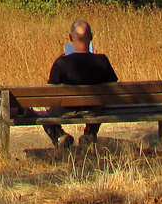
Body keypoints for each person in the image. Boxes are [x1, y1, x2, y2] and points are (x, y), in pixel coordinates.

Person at [43, 19, 118, 149]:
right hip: (92, 110)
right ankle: (90, 134)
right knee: (100, 103)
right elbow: (113, 87)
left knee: (45, 117)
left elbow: (52, 90)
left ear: (71, 37)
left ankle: (60, 137)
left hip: (65, 110)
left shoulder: (61, 62)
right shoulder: (102, 61)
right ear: (91, 37)